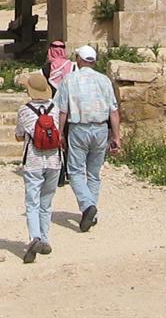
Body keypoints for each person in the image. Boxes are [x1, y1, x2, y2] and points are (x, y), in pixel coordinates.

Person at [50, 45, 119, 232]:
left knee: (75, 172)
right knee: (94, 174)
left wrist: (59, 133)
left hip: (78, 128)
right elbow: (113, 111)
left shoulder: (69, 79)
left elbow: (62, 110)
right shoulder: (104, 80)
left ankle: (87, 206)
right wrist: (117, 137)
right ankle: (91, 213)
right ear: (94, 61)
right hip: (101, 129)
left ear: (79, 60)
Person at [15, 70, 65, 263]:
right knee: (46, 202)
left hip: (33, 160)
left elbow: (19, 135)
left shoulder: (24, 110)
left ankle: (34, 237)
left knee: (32, 202)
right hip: (54, 160)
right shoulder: (54, 108)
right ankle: (44, 239)